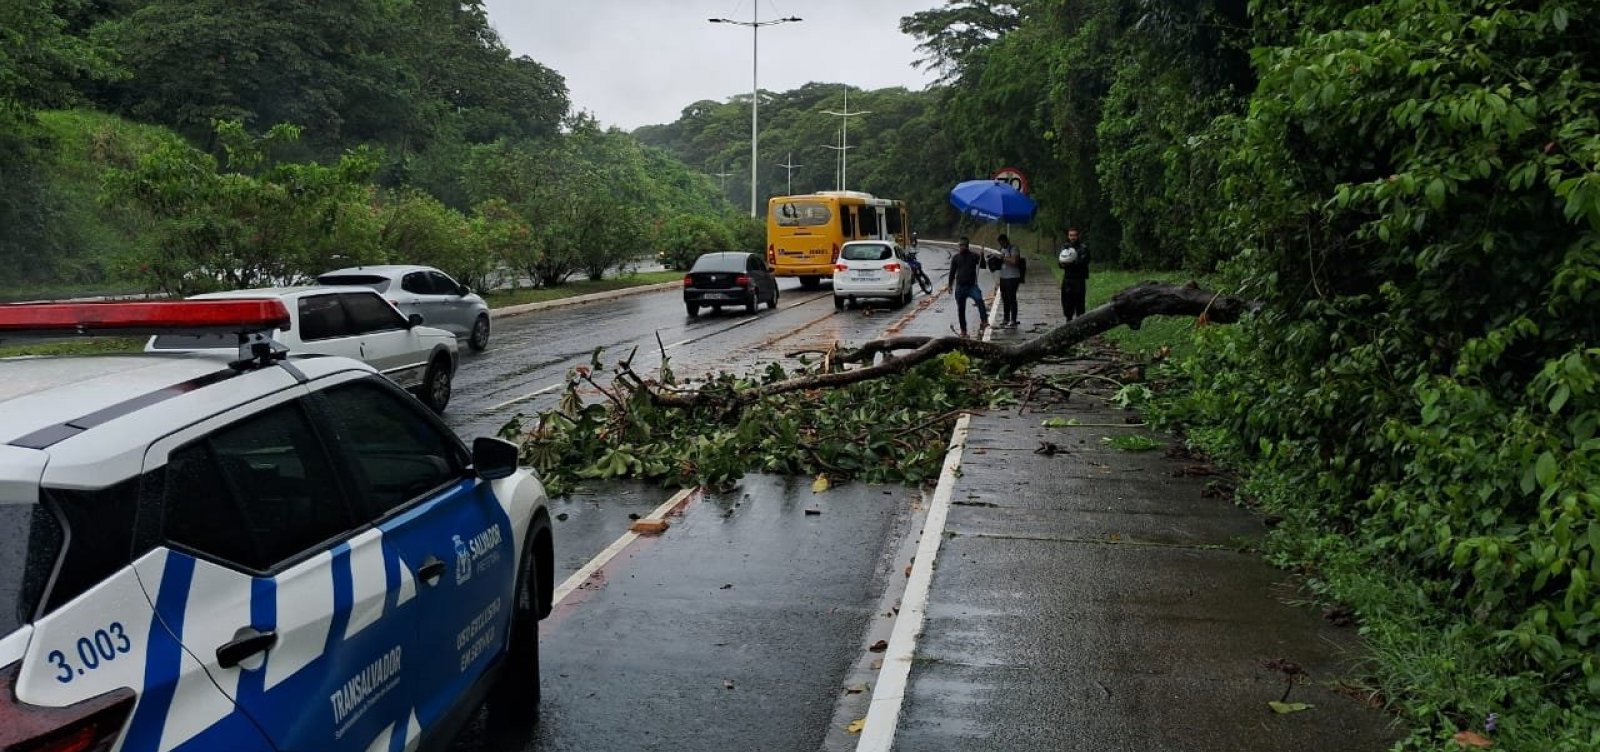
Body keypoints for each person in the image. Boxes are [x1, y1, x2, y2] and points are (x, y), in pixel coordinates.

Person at [946, 236, 989, 337]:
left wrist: (982, 256)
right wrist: (950, 285)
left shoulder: (974, 256)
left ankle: (984, 321)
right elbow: (952, 272)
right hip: (960, 287)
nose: (961, 247)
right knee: (961, 309)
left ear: (967, 246)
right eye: (960, 245)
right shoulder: (956, 258)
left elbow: (983, 266)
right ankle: (963, 330)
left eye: (963, 246)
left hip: (972, 286)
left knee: (979, 300)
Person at [1058, 227, 1090, 320]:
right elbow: (1060, 263)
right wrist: (1066, 263)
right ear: (1068, 236)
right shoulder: (1065, 247)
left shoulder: (1083, 248)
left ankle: (1080, 328)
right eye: (1071, 235)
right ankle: (1068, 325)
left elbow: (1082, 262)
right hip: (1067, 280)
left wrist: (1070, 262)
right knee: (1067, 305)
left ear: (1078, 236)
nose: (1073, 237)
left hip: (1079, 280)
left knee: (1080, 306)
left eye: (1075, 235)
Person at [996, 233, 1024, 328]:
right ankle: (1006, 318)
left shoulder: (1013, 248)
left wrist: (1003, 258)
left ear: (1006, 241)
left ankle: (1013, 319)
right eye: (1000, 243)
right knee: (1005, 298)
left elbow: (1015, 261)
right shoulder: (1001, 249)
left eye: (1002, 242)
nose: (1001, 244)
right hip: (1003, 276)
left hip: (1013, 277)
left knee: (1012, 298)